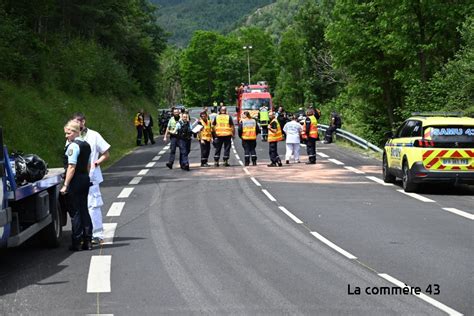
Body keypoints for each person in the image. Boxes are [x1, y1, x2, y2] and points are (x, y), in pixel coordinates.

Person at [72, 113, 111, 245]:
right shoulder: (72, 137)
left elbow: (106, 154)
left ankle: (97, 234)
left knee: (93, 205)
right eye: (74, 122)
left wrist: (96, 163)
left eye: (79, 122)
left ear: (84, 122)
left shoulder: (94, 135)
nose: (77, 125)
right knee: (80, 206)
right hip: (78, 177)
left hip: (92, 175)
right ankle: (85, 233)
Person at [61, 120, 93, 251]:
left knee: (75, 211)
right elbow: (88, 165)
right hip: (85, 178)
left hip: (75, 181)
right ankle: (88, 241)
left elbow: (71, 167)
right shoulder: (87, 145)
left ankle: (76, 242)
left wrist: (65, 184)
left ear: (75, 132)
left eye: (68, 133)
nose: (66, 136)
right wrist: (86, 176)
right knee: (84, 209)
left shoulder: (73, 146)